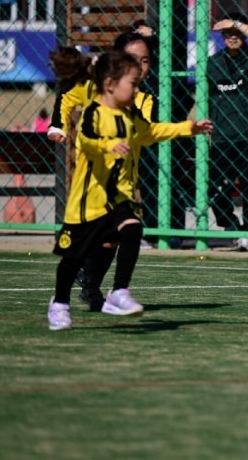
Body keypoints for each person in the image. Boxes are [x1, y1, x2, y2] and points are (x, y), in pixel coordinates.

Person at [47, 51, 213, 331]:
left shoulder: (130, 116)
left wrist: (189, 128)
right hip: (88, 202)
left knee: (133, 228)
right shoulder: (94, 113)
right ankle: (59, 303)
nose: (136, 89)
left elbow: (149, 133)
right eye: (132, 84)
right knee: (72, 260)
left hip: (118, 198)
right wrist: (107, 146)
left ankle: (119, 291)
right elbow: (86, 141)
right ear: (110, 84)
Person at [208, 15, 248, 253]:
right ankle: (234, 228)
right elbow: (206, 97)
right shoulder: (213, 63)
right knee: (214, 188)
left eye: (236, 33)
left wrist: (236, 25)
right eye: (227, 34)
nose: (232, 38)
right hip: (222, 137)